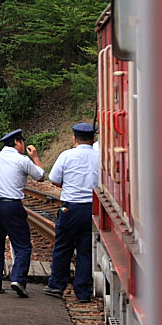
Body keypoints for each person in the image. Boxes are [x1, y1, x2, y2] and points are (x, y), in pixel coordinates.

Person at [0, 128, 45, 296]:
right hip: (12, 206)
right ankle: (18, 279)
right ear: (17, 142)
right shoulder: (22, 160)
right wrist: (36, 157)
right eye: (22, 142)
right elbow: (40, 176)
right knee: (23, 245)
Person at [44, 122, 99, 303]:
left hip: (69, 207)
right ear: (94, 139)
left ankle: (57, 285)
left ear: (74, 138)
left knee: (63, 246)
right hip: (91, 208)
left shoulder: (66, 155)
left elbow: (54, 179)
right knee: (86, 250)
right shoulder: (99, 157)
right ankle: (83, 291)